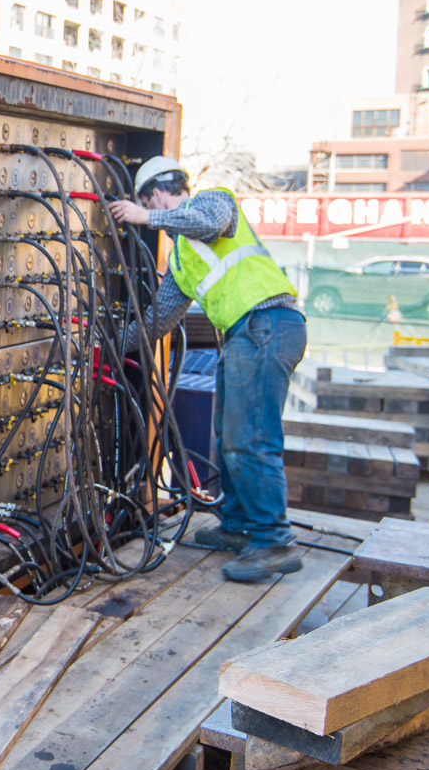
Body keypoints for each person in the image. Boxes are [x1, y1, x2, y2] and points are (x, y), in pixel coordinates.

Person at [107, 157, 308, 583]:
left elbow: (208, 222)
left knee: (249, 439)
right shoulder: (181, 261)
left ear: (157, 194)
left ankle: (274, 541)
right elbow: (159, 322)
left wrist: (145, 217)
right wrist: (105, 342)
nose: (150, 216)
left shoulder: (215, 201)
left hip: (267, 323)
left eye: (149, 206)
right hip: (247, 335)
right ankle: (237, 526)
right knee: (227, 435)